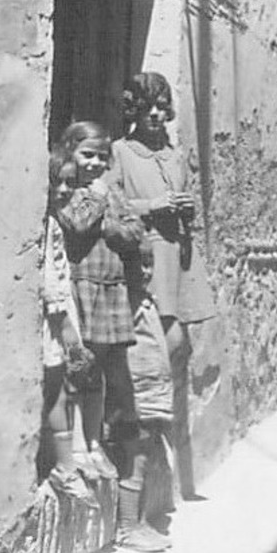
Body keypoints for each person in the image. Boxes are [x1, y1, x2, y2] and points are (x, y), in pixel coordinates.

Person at [107, 72, 216, 496]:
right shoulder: (119, 152)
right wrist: (153, 205)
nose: (156, 114)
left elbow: (188, 204)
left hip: (179, 257)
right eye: (147, 106)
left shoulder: (175, 155)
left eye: (161, 106)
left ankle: (160, 447)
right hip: (147, 258)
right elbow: (111, 204)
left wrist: (185, 208)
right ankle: (143, 443)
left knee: (179, 345)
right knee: (158, 347)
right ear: (134, 109)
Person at [55, 121, 144, 481]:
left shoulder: (110, 189)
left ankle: (94, 443)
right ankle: (78, 444)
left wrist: (114, 227)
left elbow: (135, 229)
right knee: (79, 368)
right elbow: (75, 224)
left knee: (102, 371)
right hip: (83, 287)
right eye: (86, 155)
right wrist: (100, 199)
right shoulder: (69, 190)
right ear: (70, 152)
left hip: (110, 287)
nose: (94, 163)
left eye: (101, 157)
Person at [41, 149, 97, 505]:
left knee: (64, 386)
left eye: (70, 183)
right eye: (57, 181)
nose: (63, 190)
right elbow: (50, 279)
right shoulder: (45, 225)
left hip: (61, 313)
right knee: (55, 389)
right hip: (54, 317)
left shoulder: (56, 220)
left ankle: (71, 460)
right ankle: (63, 467)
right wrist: (66, 330)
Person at [114, 240, 174, 553]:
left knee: (146, 454)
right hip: (137, 394)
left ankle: (139, 522)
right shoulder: (127, 304)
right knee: (135, 458)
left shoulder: (145, 299)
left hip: (153, 393)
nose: (148, 271)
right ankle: (127, 528)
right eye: (141, 264)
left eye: (151, 263)